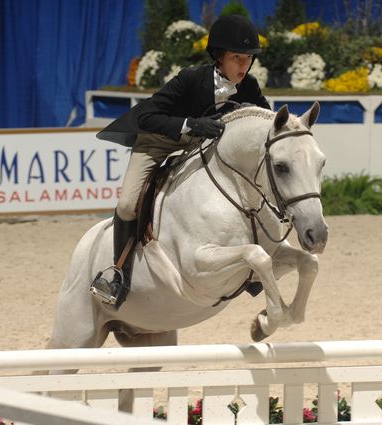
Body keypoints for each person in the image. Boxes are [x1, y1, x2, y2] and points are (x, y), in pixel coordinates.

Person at [90, 14, 271, 307]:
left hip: (197, 149)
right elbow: (148, 115)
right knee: (126, 204)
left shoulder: (248, 85)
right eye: (237, 57)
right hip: (158, 143)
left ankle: (250, 270)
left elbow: (267, 121)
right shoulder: (190, 78)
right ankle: (118, 274)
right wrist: (192, 124)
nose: (244, 65)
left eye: (248, 58)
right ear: (219, 56)